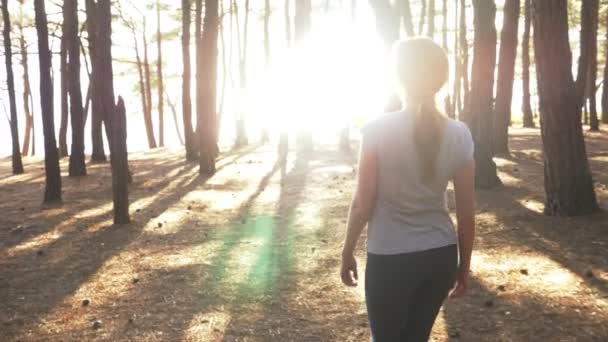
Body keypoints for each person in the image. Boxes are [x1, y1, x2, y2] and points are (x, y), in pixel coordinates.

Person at [340, 38, 476, 342]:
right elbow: (467, 214)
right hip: (440, 255)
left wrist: (347, 250)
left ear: (398, 76)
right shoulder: (460, 134)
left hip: (390, 257)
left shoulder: (377, 130)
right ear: (440, 78)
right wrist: (463, 267)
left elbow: (363, 203)